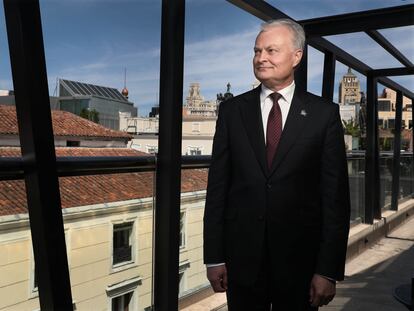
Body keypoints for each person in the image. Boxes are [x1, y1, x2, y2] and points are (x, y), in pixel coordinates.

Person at [203, 19, 350, 311]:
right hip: (242, 265)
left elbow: (335, 199)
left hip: (301, 266)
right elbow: (218, 187)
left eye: (271, 50)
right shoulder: (232, 112)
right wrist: (214, 257)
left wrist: (328, 270)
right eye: (257, 51)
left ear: (297, 56)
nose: (261, 58)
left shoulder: (324, 115)